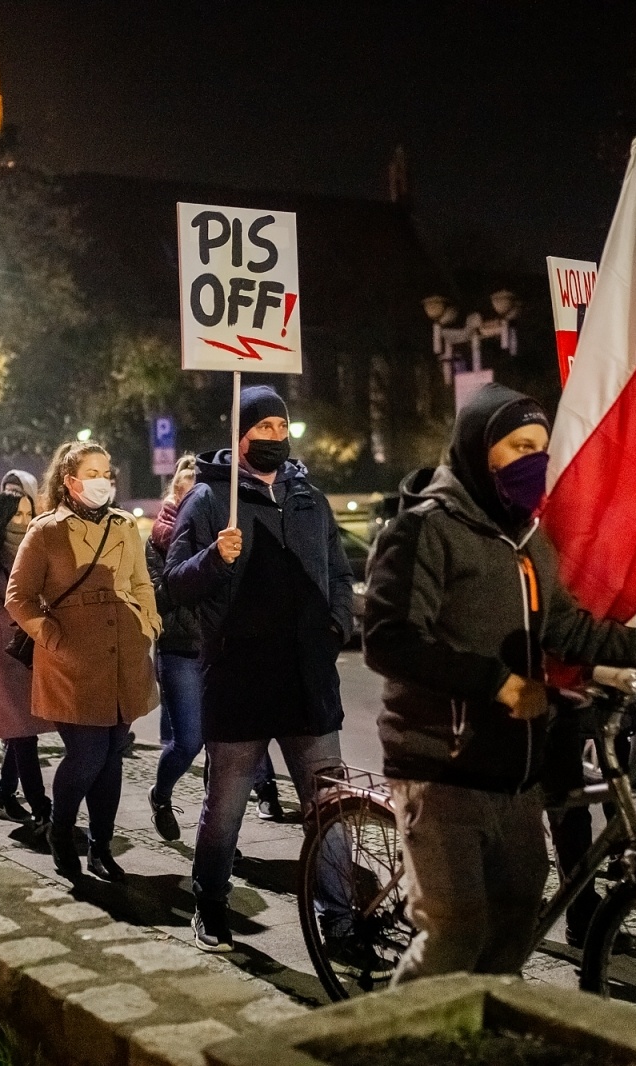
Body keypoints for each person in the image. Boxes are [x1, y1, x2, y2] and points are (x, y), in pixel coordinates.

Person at [362, 383, 636, 982]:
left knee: (516, 923)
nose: (534, 462)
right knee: (456, 932)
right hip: (441, 767)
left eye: (541, 449)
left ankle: (483, 1037)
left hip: (516, 768)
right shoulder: (422, 531)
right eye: (519, 445)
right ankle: (391, 1040)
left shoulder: (528, 539)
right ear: (479, 449)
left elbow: (566, 628)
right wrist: (495, 682)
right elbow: (389, 640)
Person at [164, 386, 355, 951]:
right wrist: (212, 560)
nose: (274, 436)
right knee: (225, 804)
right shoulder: (207, 500)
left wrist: (335, 628)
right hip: (238, 676)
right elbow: (172, 584)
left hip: (307, 679)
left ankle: (339, 917)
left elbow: (340, 575)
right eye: (262, 427)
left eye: (282, 427)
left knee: (330, 807)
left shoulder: (308, 498)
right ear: (240, 436)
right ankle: (211, 902)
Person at [7, 440, 159, 882]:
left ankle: (101, 846)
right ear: (69, 480)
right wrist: (49, 635)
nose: (102, 481)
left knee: (111, 757)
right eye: (92, 473)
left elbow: (140, 581)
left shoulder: (124, 525)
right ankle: (60, 829)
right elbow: (18, 597)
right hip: (73, 662)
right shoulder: (46, 530)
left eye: (106, 472)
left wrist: (148, 624)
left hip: (124, 657)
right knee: (88, 755)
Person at [0, 470, 53, 834]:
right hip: (6, 648)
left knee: (20, 727)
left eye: (27, 513)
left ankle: (5, 795)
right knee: (22, 730)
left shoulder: (37, 546)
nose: (22, 520)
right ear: (3, 516)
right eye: (16, 514)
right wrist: (27, 617)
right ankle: (41, 806)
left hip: (34, 646)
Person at [148, 455, 203, 840]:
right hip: (179, 649)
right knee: (187, 742)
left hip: (217, 649)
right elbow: (153, 596)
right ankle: (161, 794)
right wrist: (193, 571)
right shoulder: (155, 542)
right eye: (184, 491)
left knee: (223, 749)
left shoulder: (218, 534)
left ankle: (215, 831)